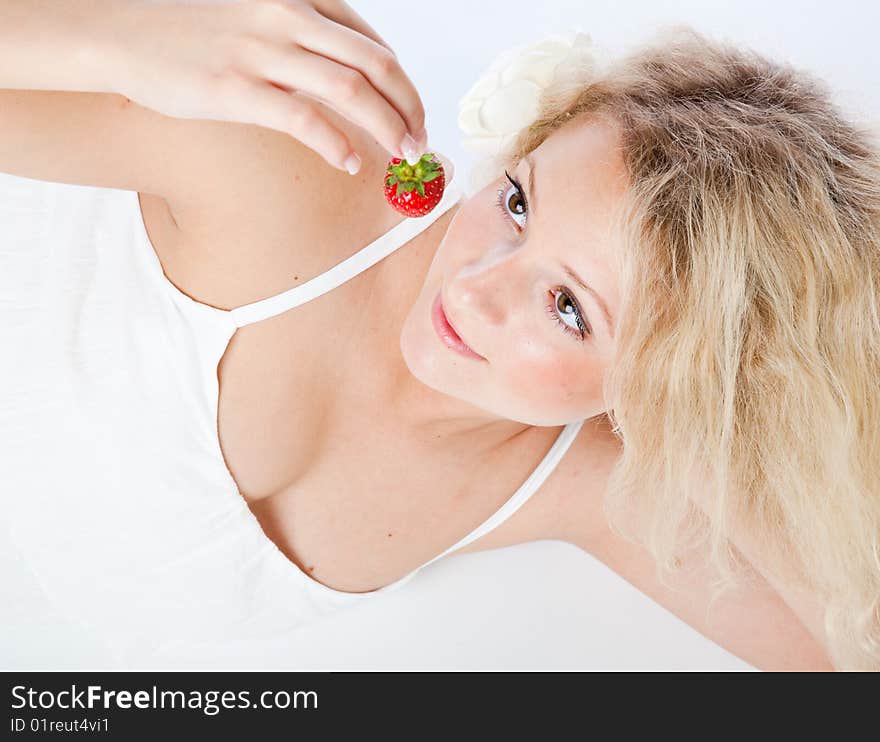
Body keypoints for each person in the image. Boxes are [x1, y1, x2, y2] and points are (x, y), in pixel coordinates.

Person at [1, 0, 876, 671]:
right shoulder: (290, 163)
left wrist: (736, 404)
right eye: (520, 203)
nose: (475, 286)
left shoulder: (576, 475)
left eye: (568, 307)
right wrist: (106, 37)